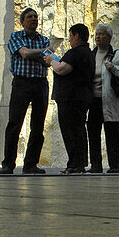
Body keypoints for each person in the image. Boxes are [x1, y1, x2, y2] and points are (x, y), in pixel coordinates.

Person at [0, 8, 52, 175]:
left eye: (35, 17)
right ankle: (8, 164)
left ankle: (31, 164)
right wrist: (40, 53)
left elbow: (49, 62)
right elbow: (24, 53)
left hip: (40, 84)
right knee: (15, 124)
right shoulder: (16, 37)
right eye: (29, 17)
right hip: (21, 84)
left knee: (38, 126)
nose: (33, 19)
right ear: (22, 22)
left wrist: (34, 54)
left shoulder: (43, 39)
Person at [44, 23, 95, 174]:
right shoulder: (88, 53)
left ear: (77, 36)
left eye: (71, 36)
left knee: (71, 131)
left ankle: (75, 164)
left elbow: (62, 69)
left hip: (70, 98)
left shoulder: (76, 52)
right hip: (81, 97)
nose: (70, 40)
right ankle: (78, 163)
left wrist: (50, 60)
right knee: (78, 130)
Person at [87, 24, 119, 173]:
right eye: (96, 34)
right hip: (94, 101)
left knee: (112, 133)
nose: (98, 37)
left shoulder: (117, 55)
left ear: (110, 38)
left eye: (102, 34)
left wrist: (113, 68)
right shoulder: (91, 55)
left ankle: (114, 165)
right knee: (93, 133)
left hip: (110, 100)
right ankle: (96, 165)